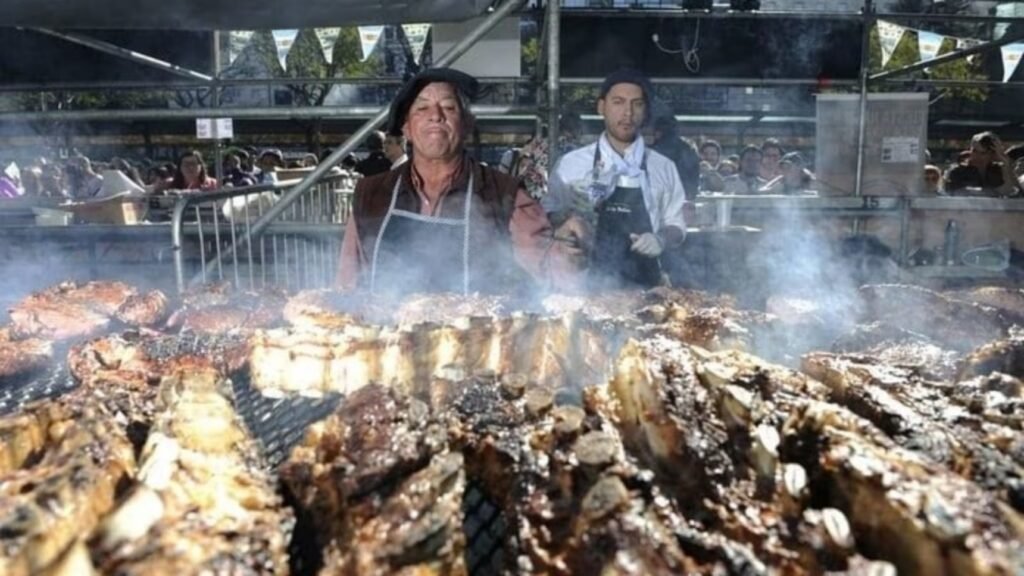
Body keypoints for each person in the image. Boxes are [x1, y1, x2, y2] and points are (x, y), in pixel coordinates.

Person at [336, 68, 569, 295]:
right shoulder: (371, 194)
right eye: (422, 108)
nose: (436, 116)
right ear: (406, 127)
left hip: (479, 333)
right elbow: (347, 287)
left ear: (467, 124)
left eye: (448, 107)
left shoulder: (505, 194)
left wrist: (570, 250)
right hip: (386, 333)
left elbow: (551, 277)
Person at [545, 68, 686, 290]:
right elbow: (549, 213)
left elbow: (677, 226)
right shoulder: (571, 164)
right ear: (602, 107)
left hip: (647, 290)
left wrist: (660, 239)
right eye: (618, 102)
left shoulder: (663, 167)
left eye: (637, 104)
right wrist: (565, 225)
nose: (627, 113)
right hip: (583, 285)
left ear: (646, 111)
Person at [499, 112, 583, 200]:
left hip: (533, 199)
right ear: (577, 130)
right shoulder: (577, 151)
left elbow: (522, 170)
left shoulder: (537, 145)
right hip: (560, 201)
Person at [651, 115, 700, 200]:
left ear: (658, 132)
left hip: (660, 199)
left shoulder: (653, 151)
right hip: (685, 197)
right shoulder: (689, 149)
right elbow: (694, 177)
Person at [959, 131, 1019, 196]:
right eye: (974, 151)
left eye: (983, 153)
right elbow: (959, 191)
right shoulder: (958, 171)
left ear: (992, 154)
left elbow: (1011, 190)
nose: (976, 156)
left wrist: (1006, 164)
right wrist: (990, 192)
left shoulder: (1000, 170)